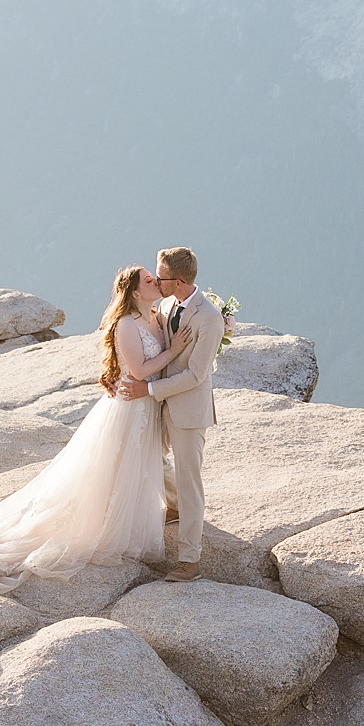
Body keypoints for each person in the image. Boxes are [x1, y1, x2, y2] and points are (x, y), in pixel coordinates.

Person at [0, 263, 196, 592]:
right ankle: (105, 523)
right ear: (136, 292)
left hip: (146, 407)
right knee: (113, 468)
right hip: (130, 406)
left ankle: (143, 512)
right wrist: (175, 351)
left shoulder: (157, 315)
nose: (156, 280)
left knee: (135, 466)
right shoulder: (126, 324)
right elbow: (138, 370)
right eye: (149, 279)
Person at [117, 246, 220, 582]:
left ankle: (189, 561)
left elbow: (195, 375)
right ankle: (174, 506)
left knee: (191, 484)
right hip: (158, 406)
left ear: (176, 282)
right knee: (148, 458)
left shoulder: (209, 317)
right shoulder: (164, 304)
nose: (154, 280)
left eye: (159, 277)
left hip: (188, 409)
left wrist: (147, 390)